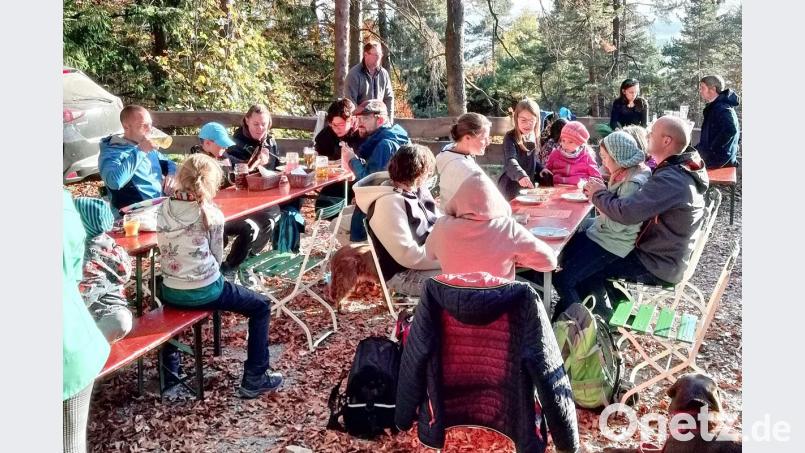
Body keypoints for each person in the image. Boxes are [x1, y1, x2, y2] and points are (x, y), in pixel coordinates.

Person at [157, 154, 283, 398]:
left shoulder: (164, 208)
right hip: (207, 290)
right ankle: (255, 376)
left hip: (171, 290)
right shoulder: (211, 213)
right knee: (261, 307)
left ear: (181, 177)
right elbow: (216, 258)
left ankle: (169, 368)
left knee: (162, 302)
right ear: (212, 182)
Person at [577, 116, 709, 316]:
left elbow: (626, 213)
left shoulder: (672, 179)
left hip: (658, 264)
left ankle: (606, 322)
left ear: (666, 141)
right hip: (666, 255)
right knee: (592, 259)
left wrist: (598, 193)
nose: (646, 135)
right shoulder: (678, 168)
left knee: (584, 270)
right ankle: (626, 316)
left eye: (651, 133)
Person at [552, 131, 651, 320]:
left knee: (563, 280)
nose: (603, 163)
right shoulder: (628, 170)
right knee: (568, 249)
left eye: (606, 158)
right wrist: (601, 193)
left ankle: (582, 328)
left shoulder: (632, 183)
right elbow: (614, 207)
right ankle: (597, 312)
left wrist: (597, 197)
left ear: (618, 156)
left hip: (612, 243)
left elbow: (617, 225)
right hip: (604, 235)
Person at [426, 171, 557, 281]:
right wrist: (517, 257)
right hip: (498, 304)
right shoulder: (508, 228)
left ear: (457, 200)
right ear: (496, 200)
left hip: (453, 304)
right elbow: (549, 262)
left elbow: (429, 255)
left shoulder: (442, 227)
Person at [353, 144, 441, 296]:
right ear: (419, 174)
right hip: (404, 274)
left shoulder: (416, 190)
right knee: (466, 279)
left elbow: (437, 221)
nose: (430, 176)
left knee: (478, 266)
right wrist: (450, 259)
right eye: (428, 172)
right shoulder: (388, 203)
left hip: (431, 258)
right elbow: (408, 255)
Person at [191, 122, 277, 277]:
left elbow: (243, 166)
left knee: (267, 220)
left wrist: (256, 161)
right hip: (211, 215)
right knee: (250, 227)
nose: (225, 149)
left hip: (232, 208)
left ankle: (242, 263)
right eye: (221, 145)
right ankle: (228, 269)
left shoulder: (222, 156)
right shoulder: (196, 163)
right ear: (208, 143)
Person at [63, 191, 110, 453]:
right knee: (71, 443)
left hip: (72, 345)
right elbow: (75, 270)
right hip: (75, 340)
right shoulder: (63, 205)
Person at [342, 99, 410, 241]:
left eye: (365, 118)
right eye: (358, 118)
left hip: (376, 217)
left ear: (379, 120)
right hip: (391, 207)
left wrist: (351, 160)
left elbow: (369, 182)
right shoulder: (393, 136)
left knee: (336, 226)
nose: (359, 123)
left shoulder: (385, 145)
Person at [74, 197, 134, 343]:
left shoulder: (84, 255)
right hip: (116, 309)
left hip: (95, 317)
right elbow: (126, 274)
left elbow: (83, 297)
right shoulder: (112, 245)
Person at [99, 105, 177, 211]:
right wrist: (141, 151)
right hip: (133, 214)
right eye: (143, 125)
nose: (149, 129)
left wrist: (171, 174)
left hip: (160, 207)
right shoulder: (112, 151)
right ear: (126, 127)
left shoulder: (145, 144)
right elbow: (114, 182)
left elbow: (168, 163)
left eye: (150, 124)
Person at [435, 112, 491, 208]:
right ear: (467, 138)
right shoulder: (463, 167)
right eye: (484, 138)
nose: (488, 142)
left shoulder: (449, 149)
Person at [497, 98, 546, 201]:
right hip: (510, 186)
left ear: (537, 120)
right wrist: (520, 175)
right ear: (516, 119)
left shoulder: (533, 136)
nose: (527, 124)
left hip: (526, 186)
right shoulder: (510, 137)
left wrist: (541, 169)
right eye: (523, 120)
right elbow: (511, 160)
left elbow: (530, 161)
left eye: (531, 120)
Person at [695, 74, 741, 168]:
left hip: (719, 161)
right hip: (716, 158)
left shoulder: (722, 108)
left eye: (703, 88)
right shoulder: (716, 106)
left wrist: (712, 150)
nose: (700, 91)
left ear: (713, 89)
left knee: (680, 170)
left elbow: (730, 130)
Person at [543, 120, 603, 186]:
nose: (565, 144)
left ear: (580, 143)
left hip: (579, 191)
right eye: (563, 140)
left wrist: (586, 182)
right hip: (556, 188)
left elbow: (596, 177)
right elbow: (547, 170)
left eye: (570, 142)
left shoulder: (587, 156)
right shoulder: (555, 154)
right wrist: (544, 172)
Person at [346, 41, 395, 121]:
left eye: (380, 54)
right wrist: (364, 119)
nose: (379, 58)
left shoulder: (384, 74)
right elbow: (350, 103)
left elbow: (389, 98)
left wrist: (389, 120)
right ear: (366, 55)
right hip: (360, 123)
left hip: (380, 123)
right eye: (376, 55)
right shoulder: (354, 75)